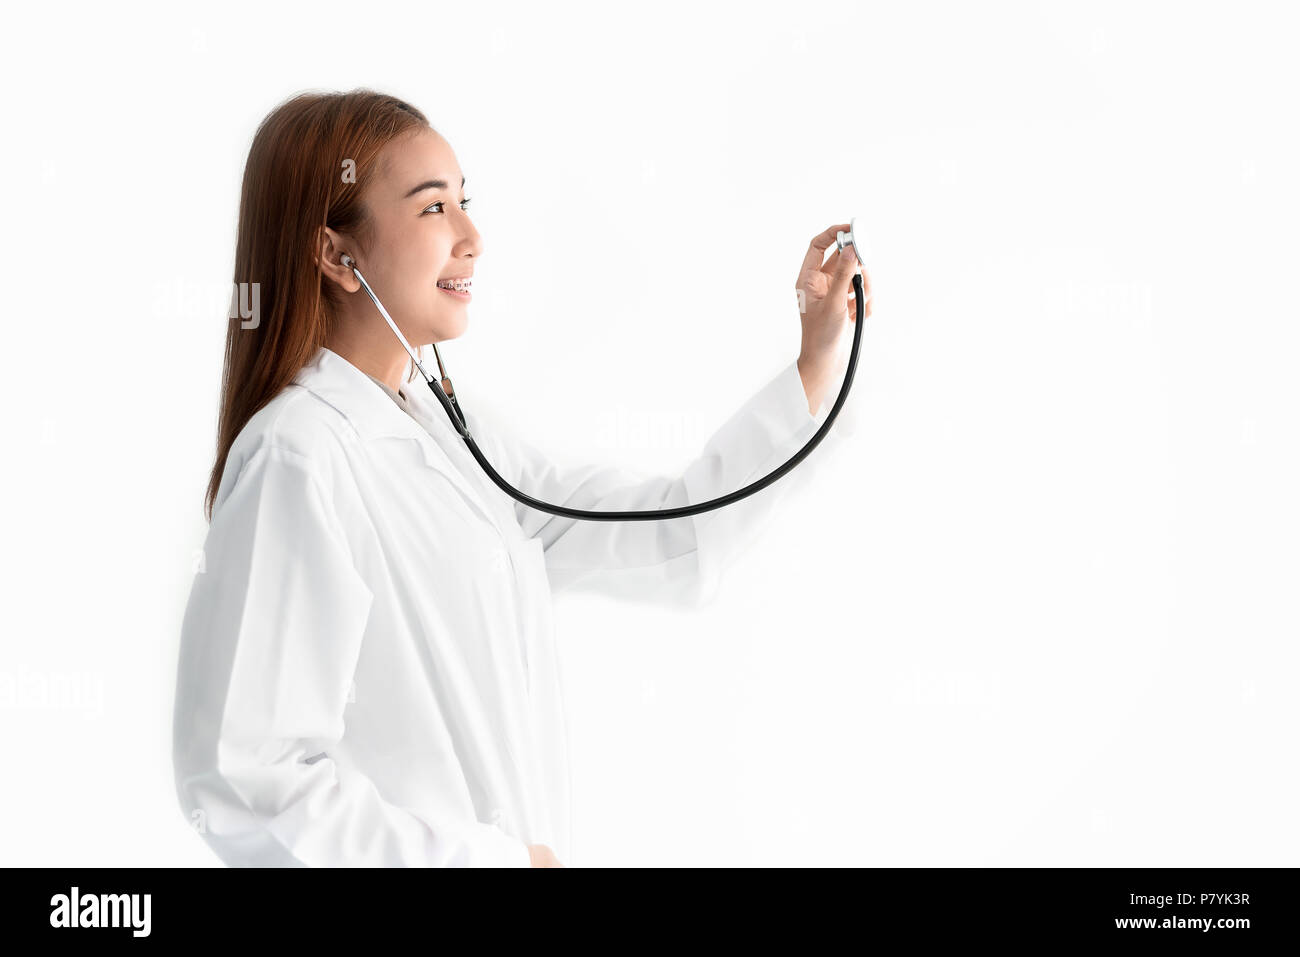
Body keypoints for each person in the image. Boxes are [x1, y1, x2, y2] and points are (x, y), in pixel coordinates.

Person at [172, 89, 869, 868]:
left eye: (464, 202)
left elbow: (672, 531)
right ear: (339, 255)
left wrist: (815, 360)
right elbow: (242, 779)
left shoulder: (451, 436)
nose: (472, 236)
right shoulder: (298, 456)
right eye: (433, 208)